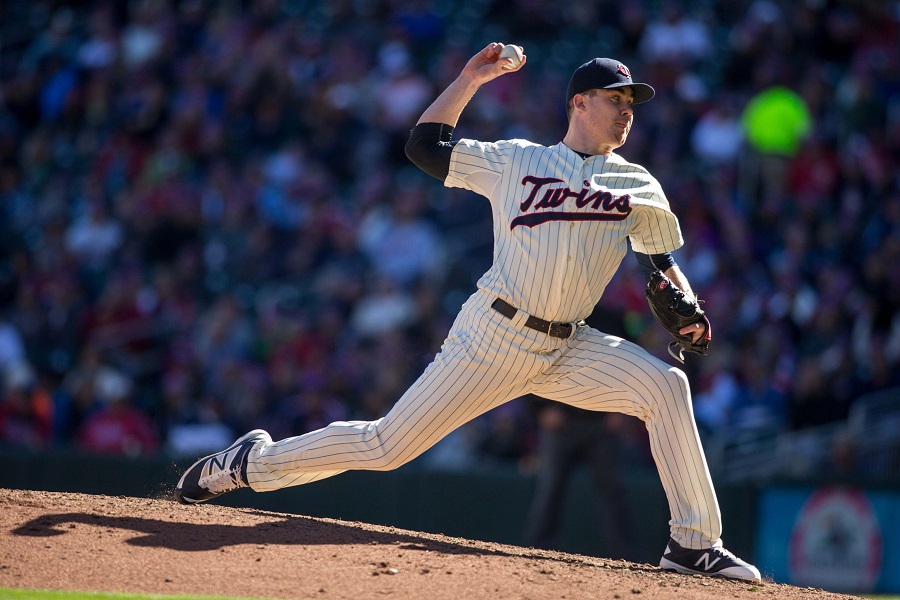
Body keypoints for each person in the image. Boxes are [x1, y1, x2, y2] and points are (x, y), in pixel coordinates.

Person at [174, 43, 761, 582]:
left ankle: (692, 545)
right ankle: (251, 462)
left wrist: (685, 304)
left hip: (570, 346)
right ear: (579, 103)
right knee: (385, 448)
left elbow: (659, 264)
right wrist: (470, 78)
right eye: (617, 99)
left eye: (633, 102)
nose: (628, 111)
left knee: (666, 386)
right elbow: (423, 148)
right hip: (494, 337)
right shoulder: (517, 161)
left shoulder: (637, 183)